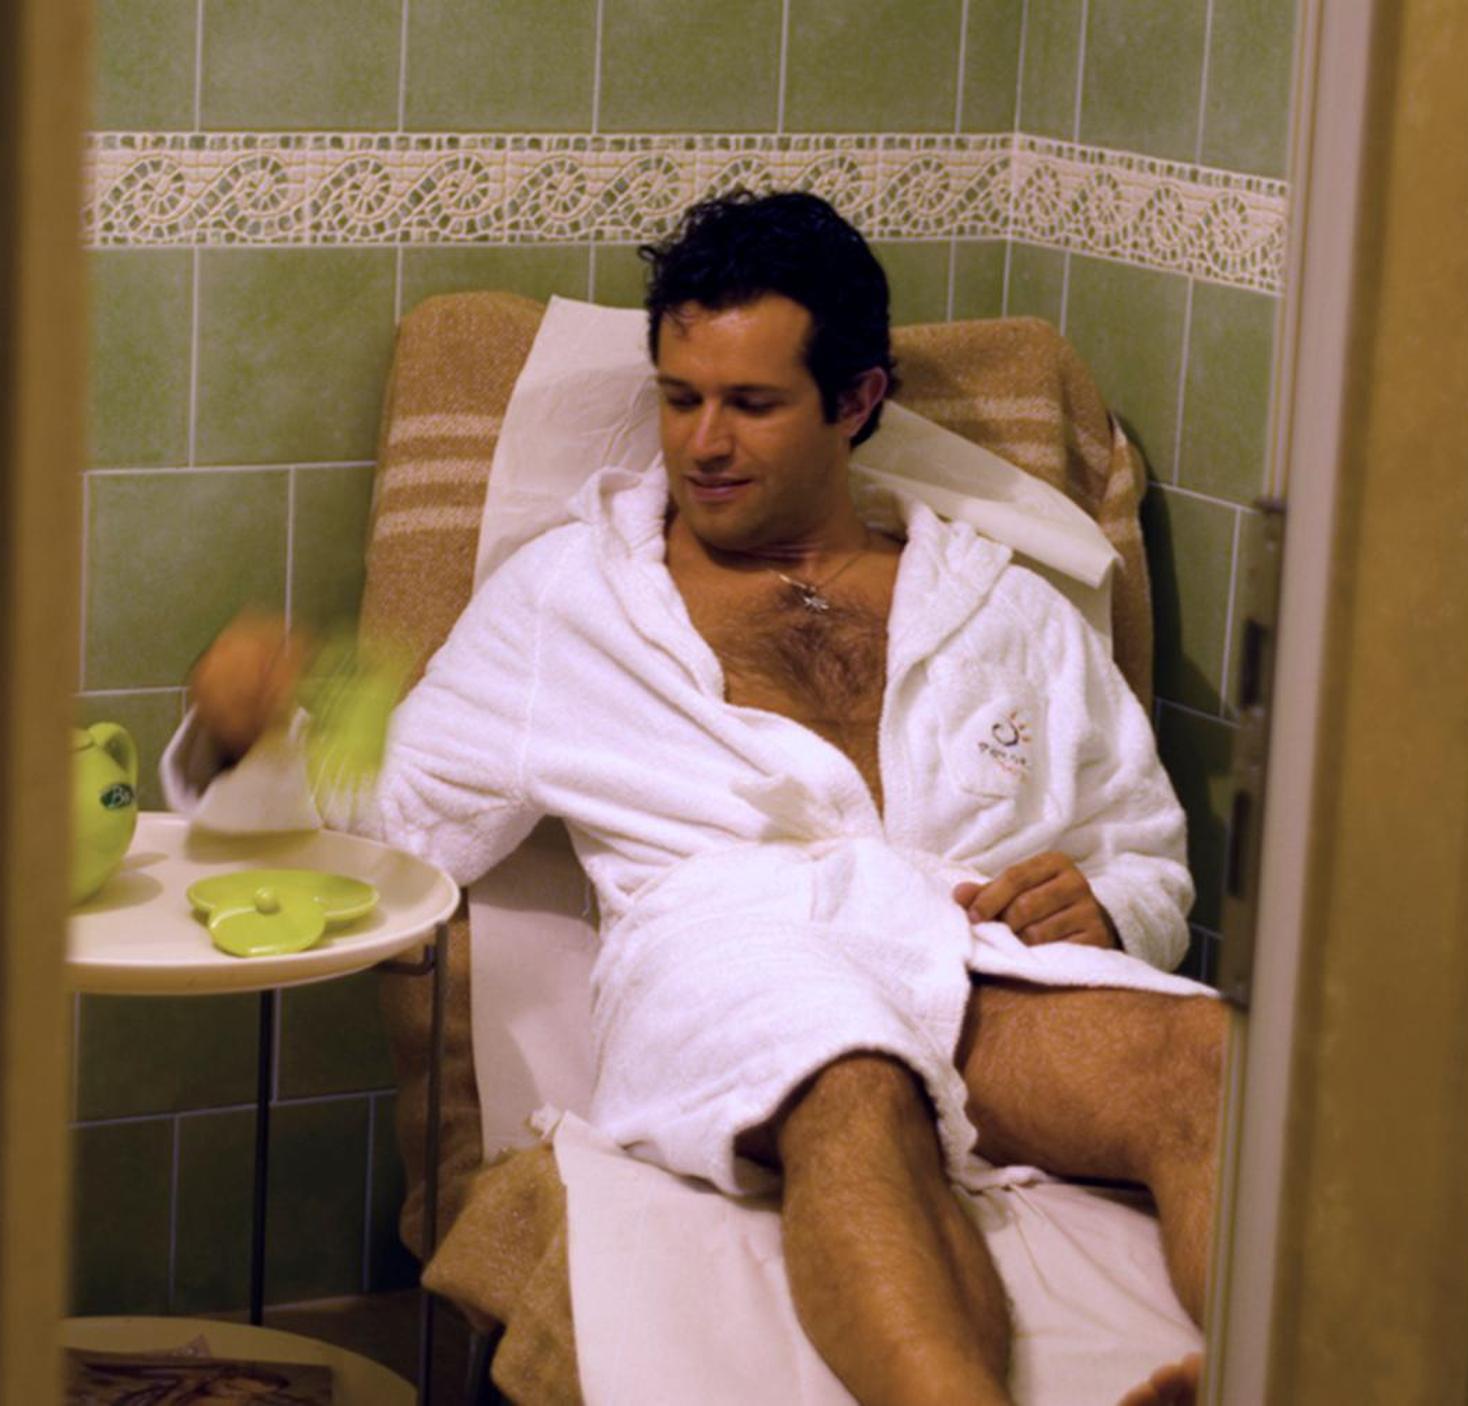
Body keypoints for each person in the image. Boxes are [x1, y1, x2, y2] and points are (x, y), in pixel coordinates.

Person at [175, 191, 1221, 1406]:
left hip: (972, 953)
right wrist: (254, 734)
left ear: (856, 401)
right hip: (733, 958)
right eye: (680, 398)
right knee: (850, 1076)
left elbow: (1143, 845)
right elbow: (398, 817)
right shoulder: (572, 600)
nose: (702, 442)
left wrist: (1111, 904)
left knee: (1213, 1060)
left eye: (751, 404)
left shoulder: (1006, 607)